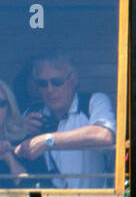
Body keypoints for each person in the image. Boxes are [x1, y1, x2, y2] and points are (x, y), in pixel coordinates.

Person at [15, 50, 117, 189]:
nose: (50, 90)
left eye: (56, 82)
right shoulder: (32, 113)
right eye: (42, 84)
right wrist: (20, 133)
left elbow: (104, 135)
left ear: (73, 80)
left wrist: (47, 141)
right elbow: (11, 153)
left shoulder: (93, 102)